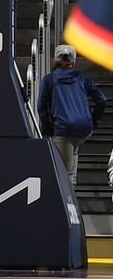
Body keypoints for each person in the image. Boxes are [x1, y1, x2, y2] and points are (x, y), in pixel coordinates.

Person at [37, 45, 107, 184]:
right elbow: (102, 100)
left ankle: (68, 203)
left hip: (63, 129)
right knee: (73, 153)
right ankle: (73, 187)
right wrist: (93, 122)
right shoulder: (83, 78)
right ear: (73, 61)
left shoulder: (49, 79)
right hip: (84, 129)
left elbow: (41, 107)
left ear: (55, 60)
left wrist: (47, 130)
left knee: (65, 173)